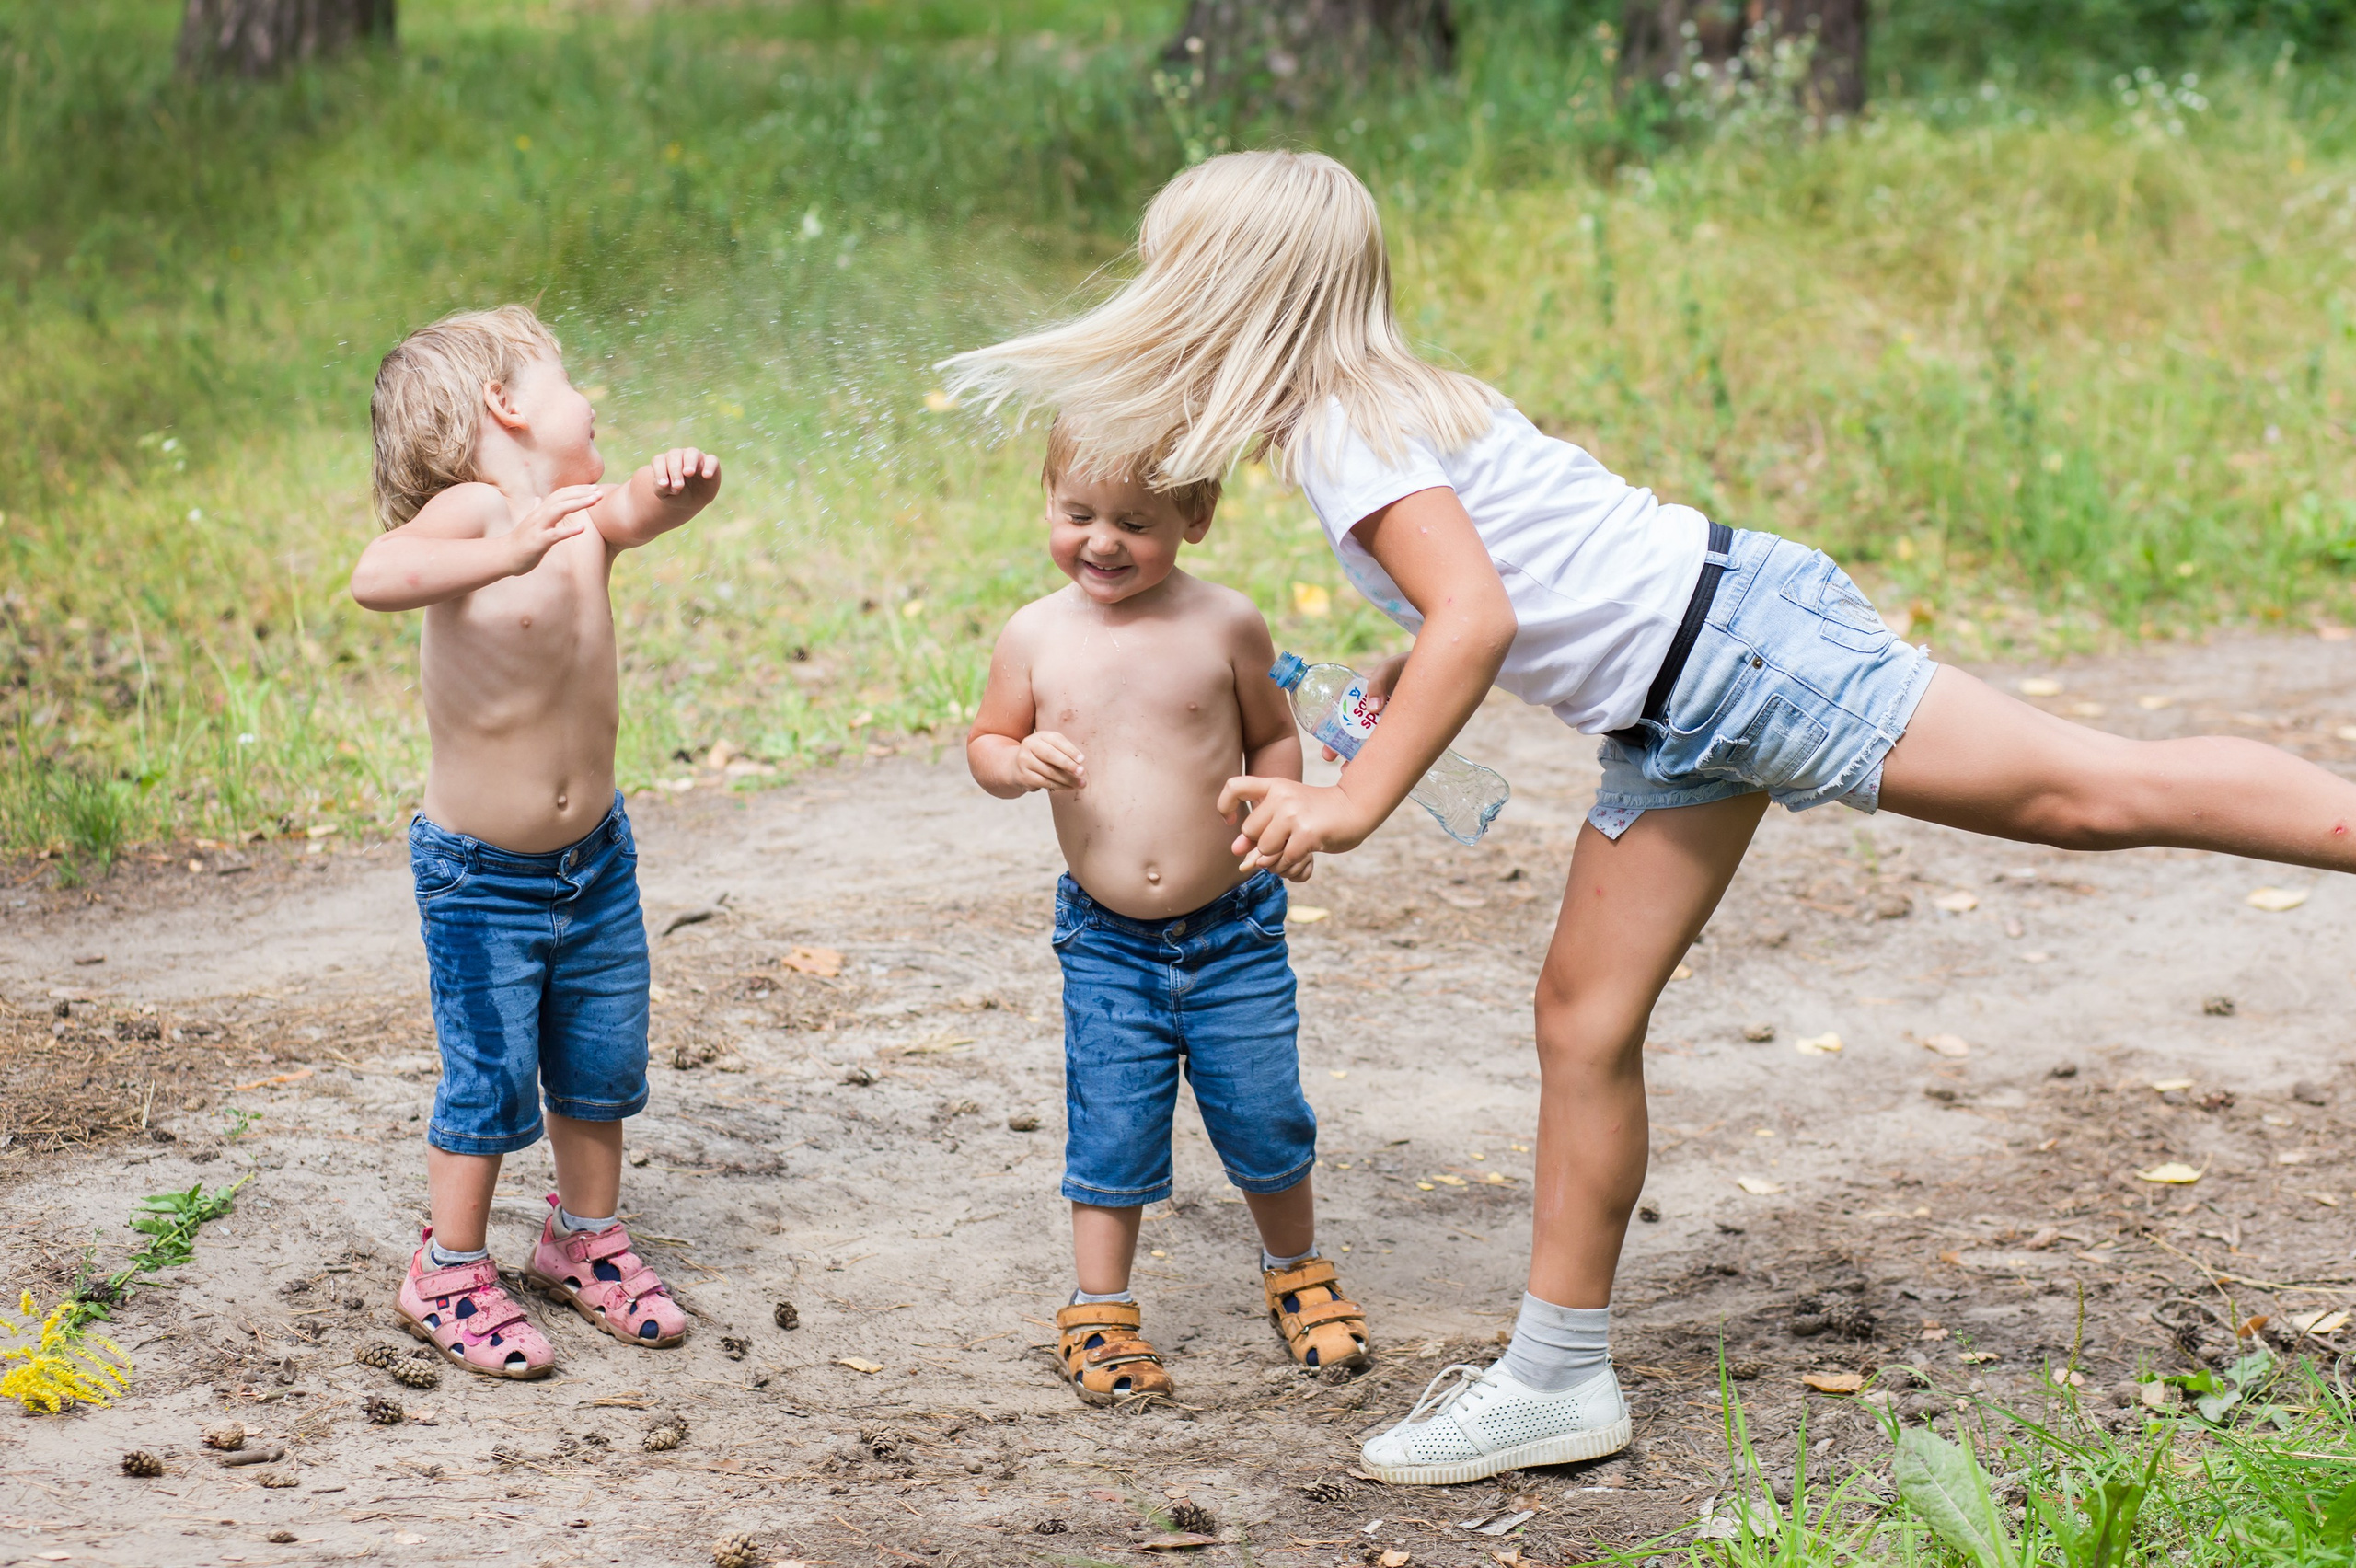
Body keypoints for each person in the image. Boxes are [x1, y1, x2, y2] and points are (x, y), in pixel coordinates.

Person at [942, 149, 2356, 1482]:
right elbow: (1507, 584)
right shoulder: (1378, 409)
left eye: (1167, 274)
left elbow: (1479, 615)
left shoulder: (1342, 436)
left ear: (1227, 295)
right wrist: (1391, 690)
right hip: (1678, 705)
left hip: (1739, 658)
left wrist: (1354, 797)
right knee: (1583, 1019)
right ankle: (1559, 1381)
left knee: (2085, 792)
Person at [964, 416, 1371, 1407]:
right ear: (1049, 501)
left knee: (1264, 1110)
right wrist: (1016, 762)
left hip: (1233, 930)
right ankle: (1099, 1307)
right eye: (1077, 515)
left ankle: (1296, 1269)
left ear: (1196, 515)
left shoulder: (1226, 624)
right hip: (1106, 943)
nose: (1101, 542)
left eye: (1134, 524)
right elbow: (987, 742)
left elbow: (1273, 737)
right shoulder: (1034, 634)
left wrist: (1282, 808)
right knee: (1112, 1123)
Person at [350, 305, 721, 1378]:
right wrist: (500, 549)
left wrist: (678, 486)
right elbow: (374, 576)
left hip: (594, 862)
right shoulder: (478, 512)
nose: (589, 397)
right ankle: (447, 1267)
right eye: (567, 377)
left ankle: (582, 1240)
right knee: (490, 1078)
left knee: (599, 1065)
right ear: (504, 405)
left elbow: (639, 508)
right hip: (482, 880)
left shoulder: (581, 515)